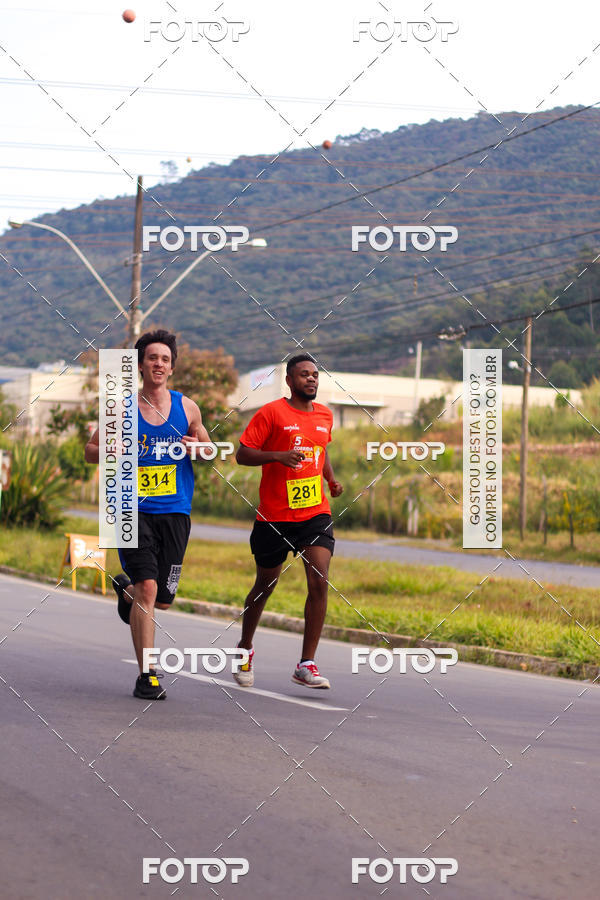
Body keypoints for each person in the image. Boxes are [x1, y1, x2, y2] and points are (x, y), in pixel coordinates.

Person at [85, 329, 211, 700]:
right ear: (140, 365)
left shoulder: (187, 408)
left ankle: (126, 592)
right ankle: (147, 676)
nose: (159, 364)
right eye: (152, 358)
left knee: (163, 599)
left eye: (165, 359)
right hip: (129, 507)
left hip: (175, 510)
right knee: (150, 588)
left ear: (172, 368)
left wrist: (199, 448)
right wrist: (112, 449)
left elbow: (209, 450)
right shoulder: (119, 408)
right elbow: (90, 451)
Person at [234, 354, 343, 689]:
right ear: (290, 380)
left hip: (314, 513)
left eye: (315, 375)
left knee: (319, 579)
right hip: (274, 516)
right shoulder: (271, 413)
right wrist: (277, 456)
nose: (311, 379)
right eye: (304, 374)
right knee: (265, 585)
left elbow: (320, 451)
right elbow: (242, 454)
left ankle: (306, 663)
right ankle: (245, 647)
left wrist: (330, 479)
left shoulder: (325, 415)